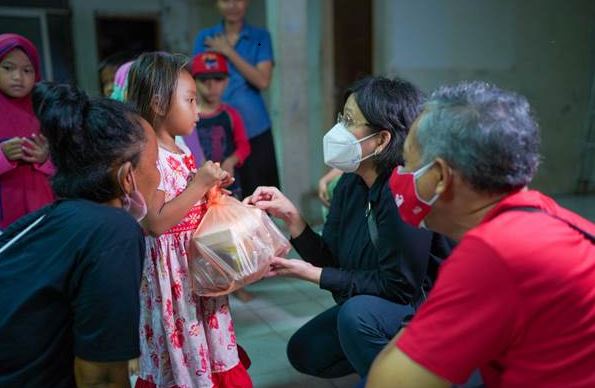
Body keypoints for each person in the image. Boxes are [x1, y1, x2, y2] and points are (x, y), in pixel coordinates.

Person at [368, 81, 595, 387]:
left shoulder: (494, 253)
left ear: (439, 177)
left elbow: (388, 383)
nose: (400, 176)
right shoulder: (547, 213)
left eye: (408, 163)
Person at [244, 76, 451, 378]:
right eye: (343, 117)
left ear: (382, 140)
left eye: (351, 121)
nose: (338, 129)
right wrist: (292, 217)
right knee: (305, 351)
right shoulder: (351, 182)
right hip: (385, 301)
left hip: (423, 308)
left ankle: (406, 377)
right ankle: (385, 355)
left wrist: (313, 275)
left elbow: (398, 288)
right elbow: (331, 257)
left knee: (357, 317)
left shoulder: (402, 193)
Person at [0, 81, 160, 387]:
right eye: (154, 163)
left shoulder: (56, 218)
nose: (159, 174)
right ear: (127, 177)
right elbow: (100, 378)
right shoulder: (113, 231)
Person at [126, 51, 251, 387]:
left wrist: (211, 190)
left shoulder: (181, 149)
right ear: (158, 103)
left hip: (195, 276)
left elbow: (188, 202)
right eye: (191, 100)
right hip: (173, 283)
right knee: (184, 355)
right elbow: (155, 222)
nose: (198, 110)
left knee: (210, 350)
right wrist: (199, 185)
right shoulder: (146, 154)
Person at [193, 0, 279, 197]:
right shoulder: (206, 38)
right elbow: (195, 77)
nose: (232, 5)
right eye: (225, 0)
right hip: (214, 127)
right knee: (220, 196)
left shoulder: (260, 38)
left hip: (254, 127)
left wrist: (227, 51)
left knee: (260, 195)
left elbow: (263, 80)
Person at [0, 33, 54, 229]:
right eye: (8, 68)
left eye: (27, 70)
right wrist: (2, 156)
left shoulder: (45, 109)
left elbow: (69, 164)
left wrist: (45, 158)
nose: (18, 77)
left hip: (43, 212)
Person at [185, 51, 251, 198]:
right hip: (199, 186)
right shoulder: (188, 116)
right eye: (204, 79)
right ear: (193, 81)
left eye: (218, 79)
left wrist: (231, 161)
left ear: (227, 81)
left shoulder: (231, 114)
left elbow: (244, 146)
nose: (211, 85)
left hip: (228, 183)